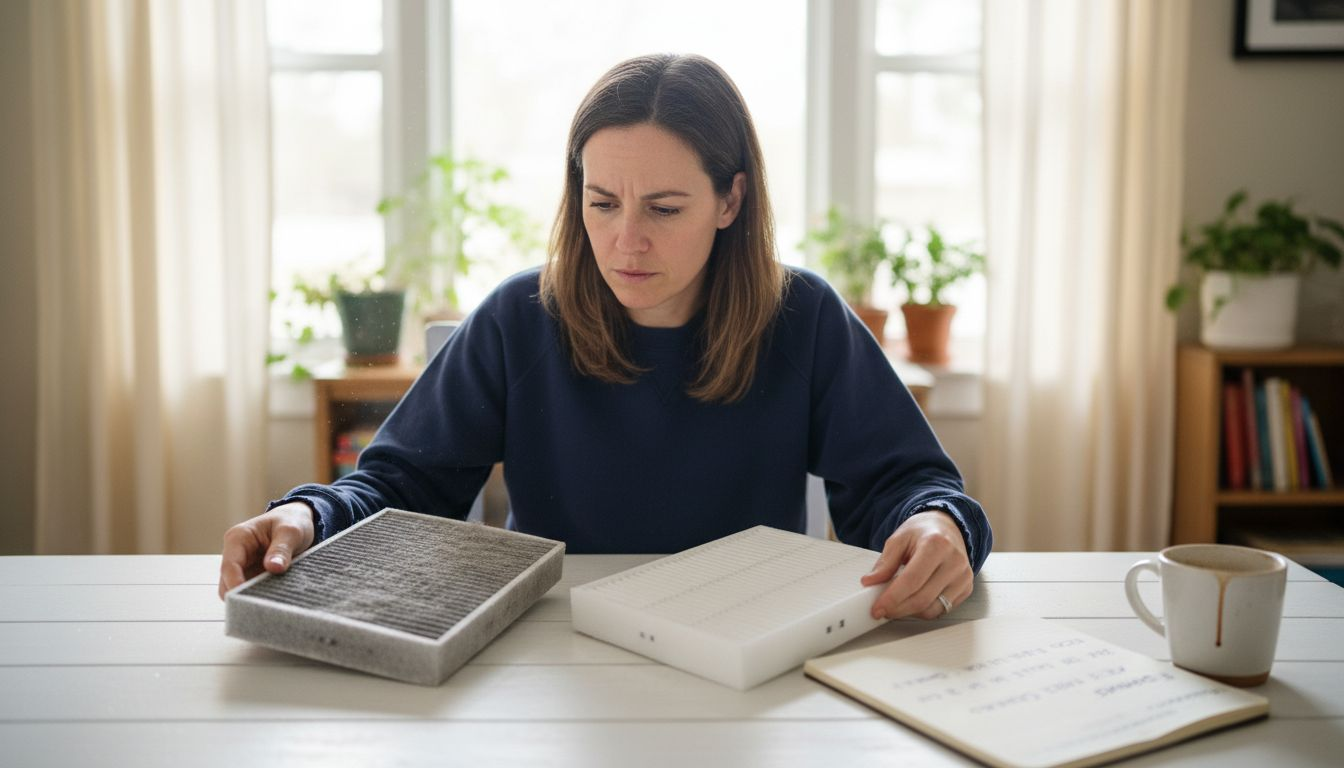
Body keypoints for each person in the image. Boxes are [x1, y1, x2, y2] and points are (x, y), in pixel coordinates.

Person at [218, 53, 992, 622]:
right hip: (554, 650)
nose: (626, 243)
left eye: (663, 208)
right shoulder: (519, 317)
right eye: (602, 203)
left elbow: (909, 486)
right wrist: (311, 517)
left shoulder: (804, 316)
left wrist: (939, 525)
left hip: (748, 653)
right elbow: (397, 487)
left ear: (731, 200)